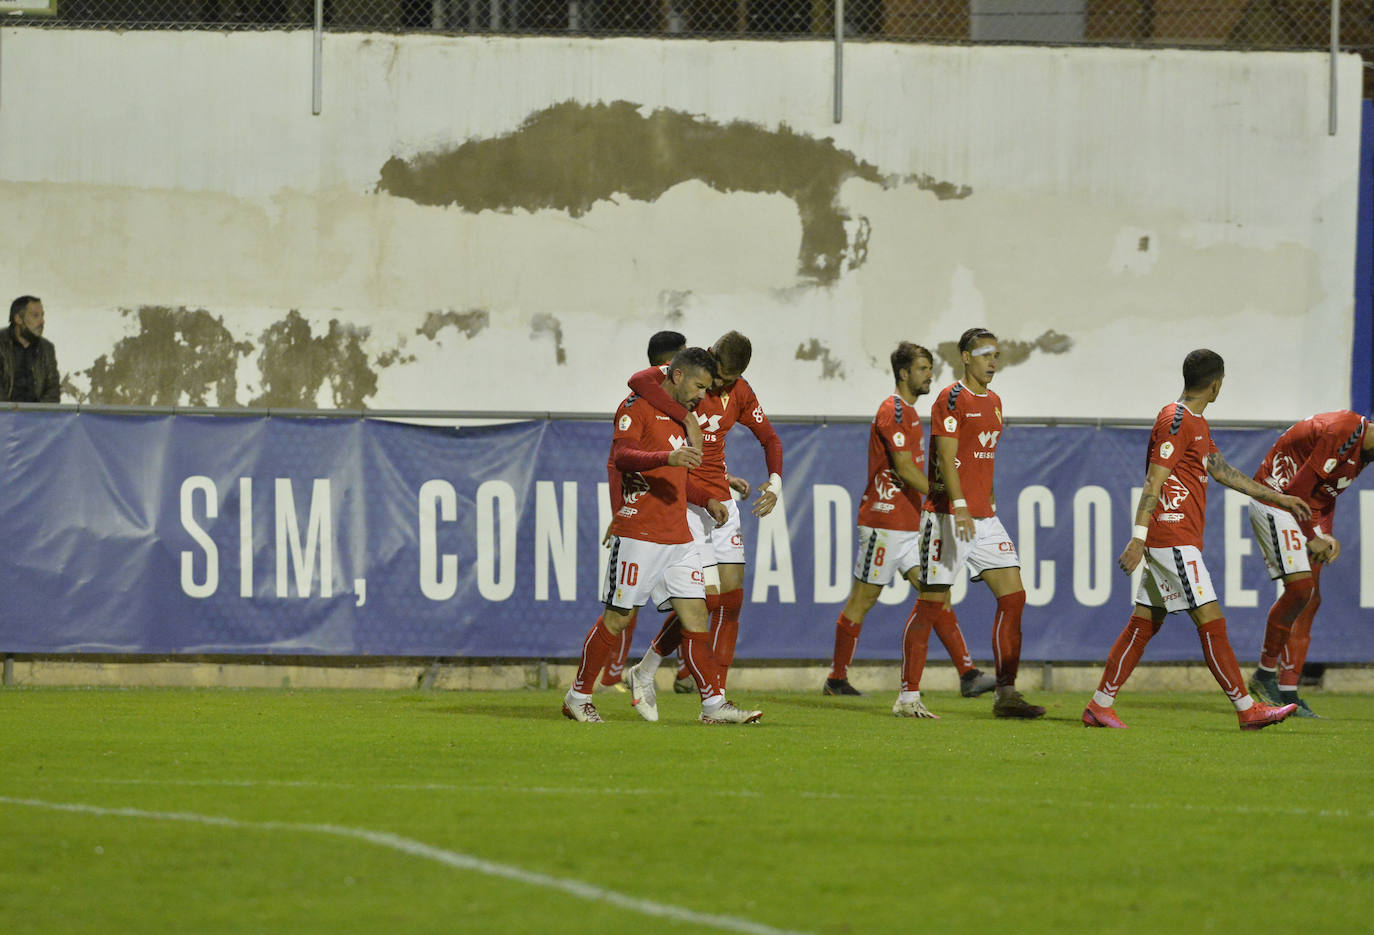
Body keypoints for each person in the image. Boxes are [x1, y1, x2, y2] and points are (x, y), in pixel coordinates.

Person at [1082, 349, 1309, 730]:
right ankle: (1246, 708)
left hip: (1176, 537)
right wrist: (1138, 537)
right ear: (1217, 384)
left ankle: (1100, 705)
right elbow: (1153, 480)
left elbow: (1223, 472)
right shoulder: (1175, 420)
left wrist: (1278, 496)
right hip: (1171, 537)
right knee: (1211, 619)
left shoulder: (1197, 423)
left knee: (1144, 622)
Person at [563, 347, 761, 725]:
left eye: (707, 390)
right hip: (640, 530)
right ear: (677, 375)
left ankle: (713, 705)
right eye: (699, 387)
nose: (702, 397)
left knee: (697, 615)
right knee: (617, 619)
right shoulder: (635, 407)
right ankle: (578, 695)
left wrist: (709, 499)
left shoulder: (683, 420)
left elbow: (680, 478)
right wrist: (664, 459)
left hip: (679, 533)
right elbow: (623, 457)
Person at [821, 341, 995, 713]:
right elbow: (904, 468)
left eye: (930, 368)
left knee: (936, 596)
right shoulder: (893, 410)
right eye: (922, 368)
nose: (929, 374)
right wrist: (944, 491)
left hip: (907, 523)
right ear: (903, 373)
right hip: (883, 522)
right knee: (862, 600)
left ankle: (968, 674)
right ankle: (836, 678)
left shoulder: (914, 413)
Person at [621, 331, 783, 707]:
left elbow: (770, 439)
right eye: (721, 377)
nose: (723, 386)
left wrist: (774, 483)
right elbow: (637, 380)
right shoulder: (690, 379)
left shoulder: (739, 390)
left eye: (731, 380)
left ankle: (707, 691)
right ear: (712, 358)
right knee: (704, 602)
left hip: (722, 503)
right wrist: (685, 418)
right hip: (688, 501)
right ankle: (670, 677)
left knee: (732, 601)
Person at [893, 329, 1045, 718]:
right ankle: (908, 696)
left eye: (996, 355)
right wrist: (959, 505)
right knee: (930, 603)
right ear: (965, 357)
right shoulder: (951, 398)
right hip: (947, 515)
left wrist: (986, 498)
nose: (993, 362)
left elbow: (984, 457)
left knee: (1014, 597)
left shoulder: (994, 401)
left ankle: (1006, 694)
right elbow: (945, 455)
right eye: (984, 354)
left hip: (983, 517)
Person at [1244, 411, 1372, 717]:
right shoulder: (1344, 431)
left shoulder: (1366, 448)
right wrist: (1312, 536)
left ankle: (1287, 691)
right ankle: (1264, 675)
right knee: (1300, 590)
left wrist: (1325, 535)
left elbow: (1326, 491)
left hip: (1300, 508)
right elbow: (1299, 489)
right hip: (1275, 499)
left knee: (1310, 599)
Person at [596, 330, 691, 692]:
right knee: (625, 605)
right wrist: (620, 511)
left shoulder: (684, 409)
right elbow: (616, 460)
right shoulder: (638, 403)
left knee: (698, 601)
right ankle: (610, 675)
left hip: (679, 514)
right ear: (672, 364)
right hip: (646, 519)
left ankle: (684, 673)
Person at [1, 296, 59, 403]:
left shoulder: (47, 349)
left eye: (42, 315)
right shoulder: (2, 345)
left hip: (36, 417)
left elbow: (53, 391)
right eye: (35, 316)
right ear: (18, 318)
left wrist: (36, 415)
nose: (42, 321)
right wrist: (10, 415)